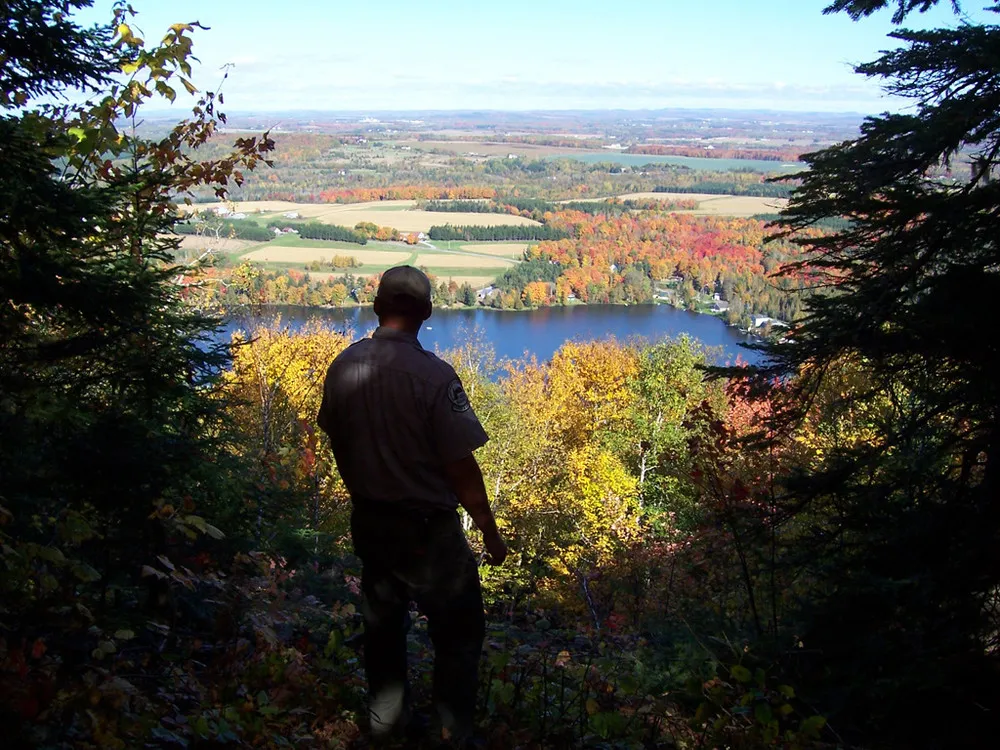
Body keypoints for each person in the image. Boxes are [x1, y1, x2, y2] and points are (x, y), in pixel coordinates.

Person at [316, 266, 507, 748]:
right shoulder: (435, 378)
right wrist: (487, 528)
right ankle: (451, 735)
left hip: (372, 525)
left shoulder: (342, 367)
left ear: (378, 305)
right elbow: (461, 466)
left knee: (383, 631)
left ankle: (386, 731)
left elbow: (337, 438)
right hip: (430, 536)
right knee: (459, 636)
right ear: (425, 313)